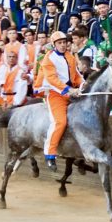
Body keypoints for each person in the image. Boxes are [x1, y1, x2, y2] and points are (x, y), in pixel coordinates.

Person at [36, 31, 83, 166]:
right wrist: (69, 90)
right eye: (59, 43)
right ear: (54, 44)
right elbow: (52, 79)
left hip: (73, 92)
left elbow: (77, 75)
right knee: (60, 122)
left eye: (64, 42)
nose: (63, 45)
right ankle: (50, 153)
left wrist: (84, 84)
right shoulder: (48, 58)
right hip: (56, 94)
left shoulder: (70, 56)